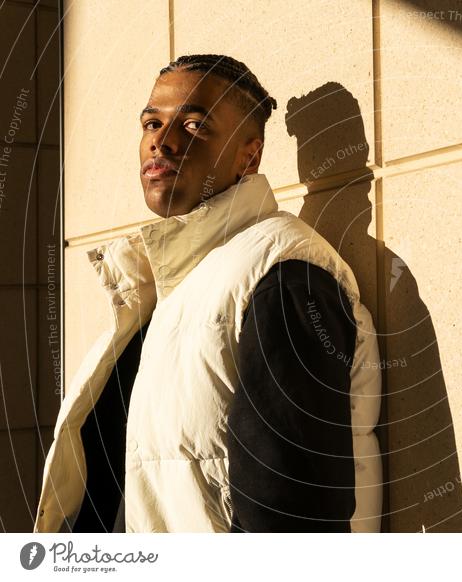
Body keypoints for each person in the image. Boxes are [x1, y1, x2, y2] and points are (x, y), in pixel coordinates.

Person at [33, 54, 383, 533]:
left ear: (250, 155)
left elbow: (293, 516)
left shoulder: (283, 271)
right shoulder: (170, 285)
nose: (162, 140)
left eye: (195, 125)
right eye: (151, 122)